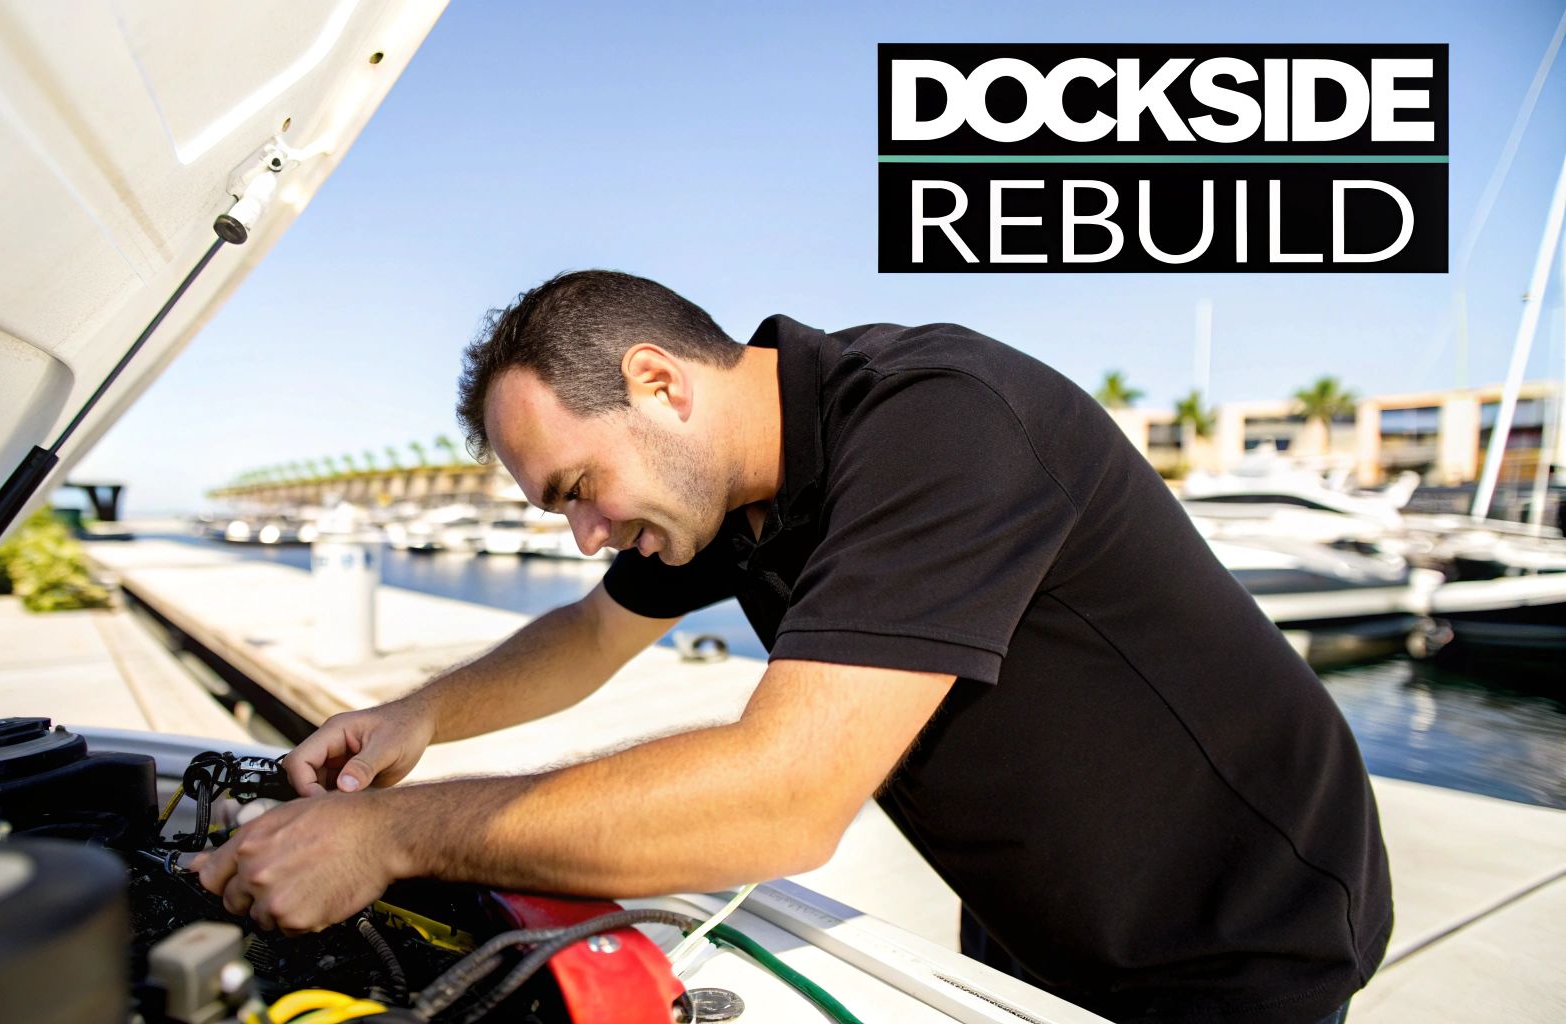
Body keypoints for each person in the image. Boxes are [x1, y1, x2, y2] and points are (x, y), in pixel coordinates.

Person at [196, 270, 1390, 1024]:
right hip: (1035, 915)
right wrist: (418, 722)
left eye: (577, 487)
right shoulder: (728, 488)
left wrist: (394, 834)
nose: (583, 534)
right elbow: (588, 634)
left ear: (658, 383)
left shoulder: (941, 421)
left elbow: (783, 797)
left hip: (1229, 926)